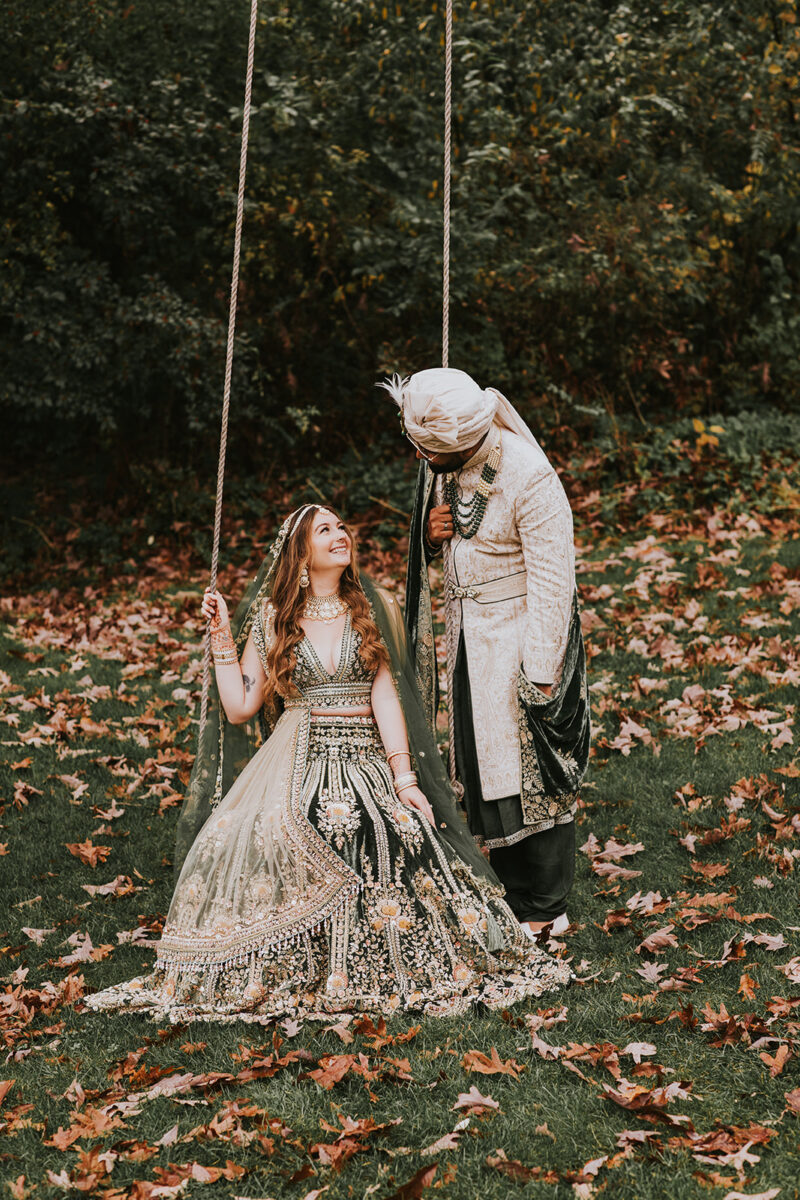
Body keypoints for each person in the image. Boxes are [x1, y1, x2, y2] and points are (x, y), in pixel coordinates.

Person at [84, 504, 570, 1024]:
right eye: (325, 530)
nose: (341, 534)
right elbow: (239, 706)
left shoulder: (369, 607)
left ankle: (381, 951)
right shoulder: (274, 618)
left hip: (365, 752)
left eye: (341, 526)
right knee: (275, 828)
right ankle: (305, 956)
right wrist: (222, 635)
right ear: (301, 553)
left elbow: (386, 697)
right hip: (300, 751)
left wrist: (404, 778)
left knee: (391, 826)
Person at [383, 368, 590, 939]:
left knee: (533, 775)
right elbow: (432, 558)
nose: (420, 454)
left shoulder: (528, 475)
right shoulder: (443, 471)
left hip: (522, 641)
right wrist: (428, 534)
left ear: (457, 443)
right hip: (470, 642)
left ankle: (548, 908)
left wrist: (543, 674)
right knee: (484, 771)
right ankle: (513, 893)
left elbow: (555, 583)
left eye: (427, 447)